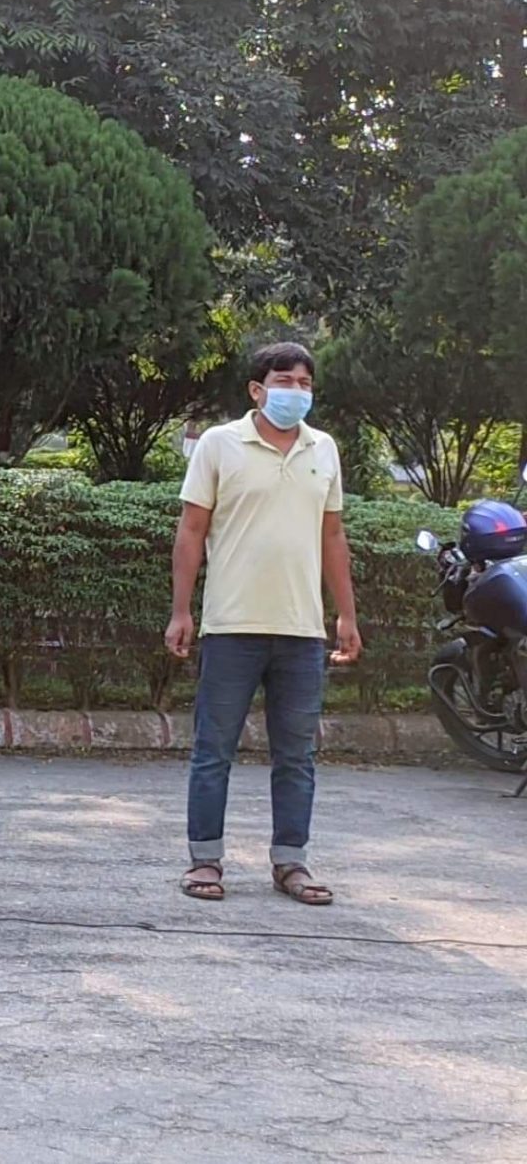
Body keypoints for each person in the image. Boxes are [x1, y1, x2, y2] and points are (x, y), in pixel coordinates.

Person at [167, 341, 361, 907]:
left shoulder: (323, 449)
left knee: (297, 755)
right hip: (230, 624)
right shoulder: (220, 446)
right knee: (213, 749)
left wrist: (346, 614)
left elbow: (332, 536)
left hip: (303, 632)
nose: (295, 391)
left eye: (304, 382)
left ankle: (290, 862)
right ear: (257, 389)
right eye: (284, 380)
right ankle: (205, 860)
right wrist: (183, 609)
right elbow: (191, 531)